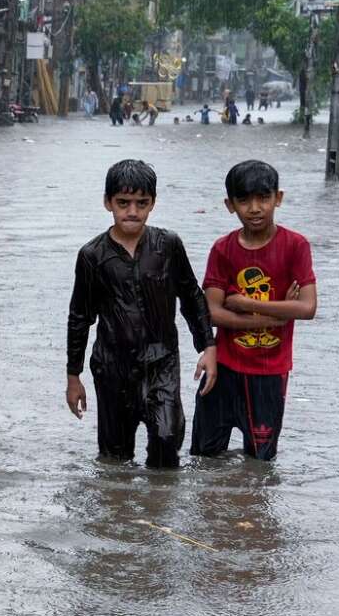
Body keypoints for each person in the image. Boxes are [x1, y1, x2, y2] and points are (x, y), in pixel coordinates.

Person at [66, 159, 216, 469]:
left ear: (153, 203)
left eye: (141, 203)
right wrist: (73, 376)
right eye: (123, 203)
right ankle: (119, 500)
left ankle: (160, 497)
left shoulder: (168, 245)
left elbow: (192, 297)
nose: (132, 211)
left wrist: (208, 347)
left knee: (166, 439)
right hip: (112, 367)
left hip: (162, 361)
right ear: (108, 202)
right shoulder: (92, 256)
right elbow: (80, 317)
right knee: (115, 457)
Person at [192, 161, 317, 462]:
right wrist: (278, 316)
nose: (255, 208)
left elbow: (307, 307)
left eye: (263, 198)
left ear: (278, 198)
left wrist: (247, 304)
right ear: (230, 205)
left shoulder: (295, 245)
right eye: (244, 200)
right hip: (223, 369)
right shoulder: (223, 249)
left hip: (269, 373)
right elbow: (212, 312)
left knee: (260, 464)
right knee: (203, 458)